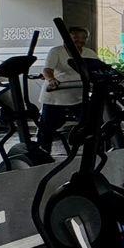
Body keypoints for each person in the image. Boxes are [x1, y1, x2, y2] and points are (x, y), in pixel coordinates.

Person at [38, 25, 98, 154]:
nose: (80, 41)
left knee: (92, 124)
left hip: (79, 96)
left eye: (83, 38)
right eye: (76, 38)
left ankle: (96, 151)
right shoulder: (56, 51)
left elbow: (98, 69)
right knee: (47, 129)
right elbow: (47, 70)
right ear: (67, 38)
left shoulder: (89, 53)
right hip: (56, 96)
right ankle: (42, 155)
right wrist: (51, 79)